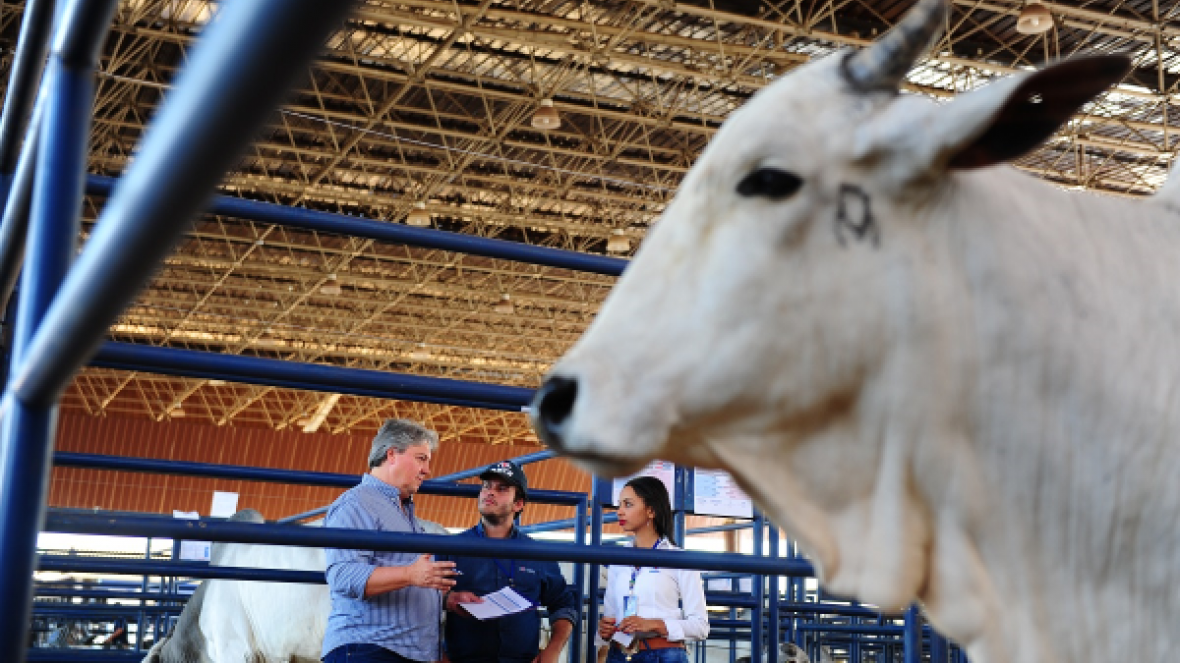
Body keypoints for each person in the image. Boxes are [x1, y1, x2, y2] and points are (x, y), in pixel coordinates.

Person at [322, 419, 458, 663]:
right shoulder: (356, 503)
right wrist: (411, 574)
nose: (428, 470)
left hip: (400, 651)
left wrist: (448, 600)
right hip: (370, 648)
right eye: (421, 458)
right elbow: (343, 575)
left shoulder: (404, 513)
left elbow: (409, 579)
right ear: (392, 454)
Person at [442, 460, 579, 663]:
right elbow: (425, 601)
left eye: (502, 489)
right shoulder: (449, 548)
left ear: (519, 504)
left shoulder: (538, 553)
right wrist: (447, 601)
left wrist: (553, 650)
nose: (490, 492)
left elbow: (563, 604)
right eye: (486, 486)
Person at [596, 477, 709, 663]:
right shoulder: (617, 559)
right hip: (619, 655)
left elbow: (701, 627)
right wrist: (605, 631)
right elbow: (609, 618)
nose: (619, 512)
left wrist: (654, 625)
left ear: (651, 510)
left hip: (664, 656)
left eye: (628, 504)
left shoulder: (680, 559)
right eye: (619, 505)